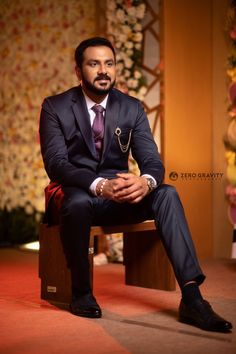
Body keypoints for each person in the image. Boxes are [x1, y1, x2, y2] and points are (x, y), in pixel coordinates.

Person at [39, 37, 232, 333]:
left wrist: (145, 182)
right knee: (76, 202)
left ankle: (192, 298)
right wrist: (98, 184)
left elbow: (153, 162)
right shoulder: (55, 106)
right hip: (77, 194)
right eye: (94, 64)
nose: (103, 70)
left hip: (121, 197)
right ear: (78, 71)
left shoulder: (132, 107)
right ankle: (81, 292)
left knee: (166, 193)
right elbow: (56, 164)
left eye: (109, 63)